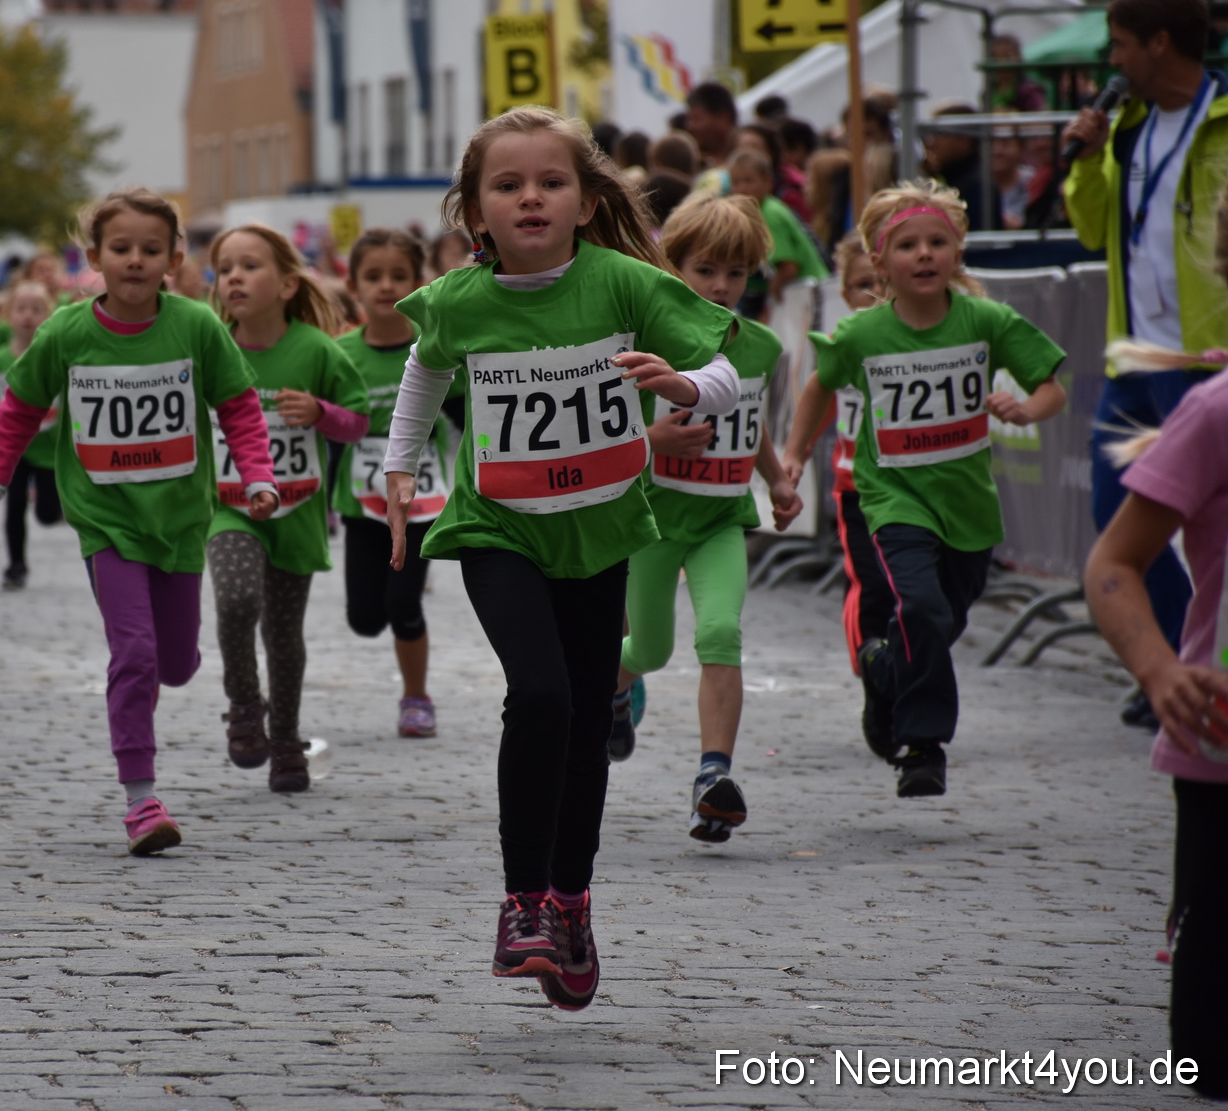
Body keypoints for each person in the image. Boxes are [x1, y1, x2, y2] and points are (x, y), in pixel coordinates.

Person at [382, 105, 740, 1012]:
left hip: (600, 529)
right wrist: (398, 467)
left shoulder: (623, 282)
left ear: (585, 201)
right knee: (539, 694)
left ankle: (572, 902)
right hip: (497, 528)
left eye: (551, 181)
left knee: (585, 718)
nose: (530, 197)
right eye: (507, 185)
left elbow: (725, 367)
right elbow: (425, 368)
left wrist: (685, 384)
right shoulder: (460, 299)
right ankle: (523, 902)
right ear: (476, 210)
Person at [0, 187, 280, 856]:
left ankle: (166, 671)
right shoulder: (67, 331)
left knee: (176, 662)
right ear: (94, 257)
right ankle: (141, 800)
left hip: (181, 519)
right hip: (106, 520)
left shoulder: (196, 325)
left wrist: (256, 475)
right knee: (134, 654)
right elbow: (20, 407)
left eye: (150, 249)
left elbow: (239, 405)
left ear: (174, 258)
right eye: (121, 248)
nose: (135, 259)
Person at [782, 181, 1066, 797]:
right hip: (894, 500)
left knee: (940, 622)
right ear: (879, 262)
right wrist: (794, 457)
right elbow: (819, 386)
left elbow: (1051, 385)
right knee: (922, 610)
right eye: (907, 245)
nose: (924, 254)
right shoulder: (862, 334)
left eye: (938, 242)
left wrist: (1026, 408)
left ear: (957, 253)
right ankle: (923, 746)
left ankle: (884, 669)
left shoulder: (985, 321)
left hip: (968, 507)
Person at [1063, 0, 1228, 729]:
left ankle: (1199, 670)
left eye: (1121, 44)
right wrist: (1086, 160)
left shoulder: (1220, 119)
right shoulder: (1127, 126)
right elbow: (1094, 228)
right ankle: (1167, 665)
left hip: (1204, 359)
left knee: (1205, 530)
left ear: (1160, 43)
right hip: (1135, 357)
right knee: (1117, 516)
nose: (1113, 60)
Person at [615, 193, 802, 844]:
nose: (722, 285)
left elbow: (749, 421)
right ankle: (615, 687)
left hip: (721, 519)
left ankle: (712, 777)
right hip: (653, 522)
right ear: (673, 268)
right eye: (705, 270)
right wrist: (653, 439)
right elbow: (604, 429)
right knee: (649, 649)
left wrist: (777, 478)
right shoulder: (645, 342)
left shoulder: (763, 345)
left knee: (721, 632)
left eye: (736, 272)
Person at [1084, 318, 1228, 1101]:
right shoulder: (1215, 411)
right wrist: (1159, 670)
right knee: (1210, 1053)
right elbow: (1113, 563)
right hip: (1219, 746)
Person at [205, 223, 369, 793]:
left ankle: (285, 741)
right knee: (235, 600)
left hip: (296, 511)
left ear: (287, 285)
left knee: (282, 634)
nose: (234, 278)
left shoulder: (316, 349)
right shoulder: (212, 347)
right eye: (225, 269)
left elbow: (358, 423)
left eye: (250, 266)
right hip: (230, 506)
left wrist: (321, 412)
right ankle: (244, 703)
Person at [331, 229, 461, 738]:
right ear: (353, 286)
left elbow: (468, 413)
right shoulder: (339, 353)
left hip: (421, 500)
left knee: (403, 604)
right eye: (373, 276)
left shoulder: (434, 345)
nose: (386, 286)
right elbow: (328, 429)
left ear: (418, 283)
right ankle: (393, 646)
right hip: (361, 502)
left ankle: (416, 697)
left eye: (399, 276)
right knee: (364, 618)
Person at [781, 232, 895, 738]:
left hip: (919, 486)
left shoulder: (920, 334)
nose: (873, 294)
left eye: (880, 282)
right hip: (857, 486)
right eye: (860, 285)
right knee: (871, 585)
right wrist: (796, 454)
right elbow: (820, 396)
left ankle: (902, 672)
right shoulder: (846, 340)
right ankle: (872, 668)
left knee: (915, 595)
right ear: (843, 292)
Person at [0, 280, 63, 590]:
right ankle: (16, 566)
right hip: (16, 450)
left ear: (49, 316)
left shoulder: (56, 355)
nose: (28, 316)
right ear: (8, 316)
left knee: (48, 513)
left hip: (50, 447)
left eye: (36, 310)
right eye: (21, 309)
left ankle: (52, 510)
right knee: (14, 508)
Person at [728, 150, 829, 310]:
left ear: (768, 182)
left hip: (811, 292)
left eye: (748, 181)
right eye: (736, 182)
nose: (742, 188)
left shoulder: (768, 214)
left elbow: (789, 268)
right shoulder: (768, 207)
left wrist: (769, 303)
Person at [923, 102, 1003, 232]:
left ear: (964, 140)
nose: (931, 143)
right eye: (929, 134)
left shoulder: (977, 187)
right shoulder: (956, 177)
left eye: (939, 134)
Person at [685, 81, 738, 169]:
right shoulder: (689, 167)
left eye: (697, 119)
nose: (690, 127)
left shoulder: (751, 157)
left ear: (723, 118)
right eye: (689, 119)